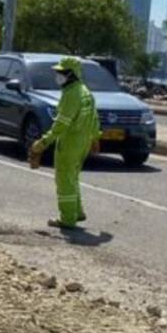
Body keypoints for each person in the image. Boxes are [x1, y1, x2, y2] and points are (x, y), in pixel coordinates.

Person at [30, 56, 102, 229]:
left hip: (69, 143)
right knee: (72, 178)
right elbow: (94, 118)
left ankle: (67, 218)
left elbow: (61, 124)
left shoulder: (71, 95)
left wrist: (43, 142)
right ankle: (77, 211)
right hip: (83, 142)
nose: (58, 75)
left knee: (64, 180)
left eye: (62, 72)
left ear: (72, 74)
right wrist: (95, 138)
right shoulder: (85, 91)